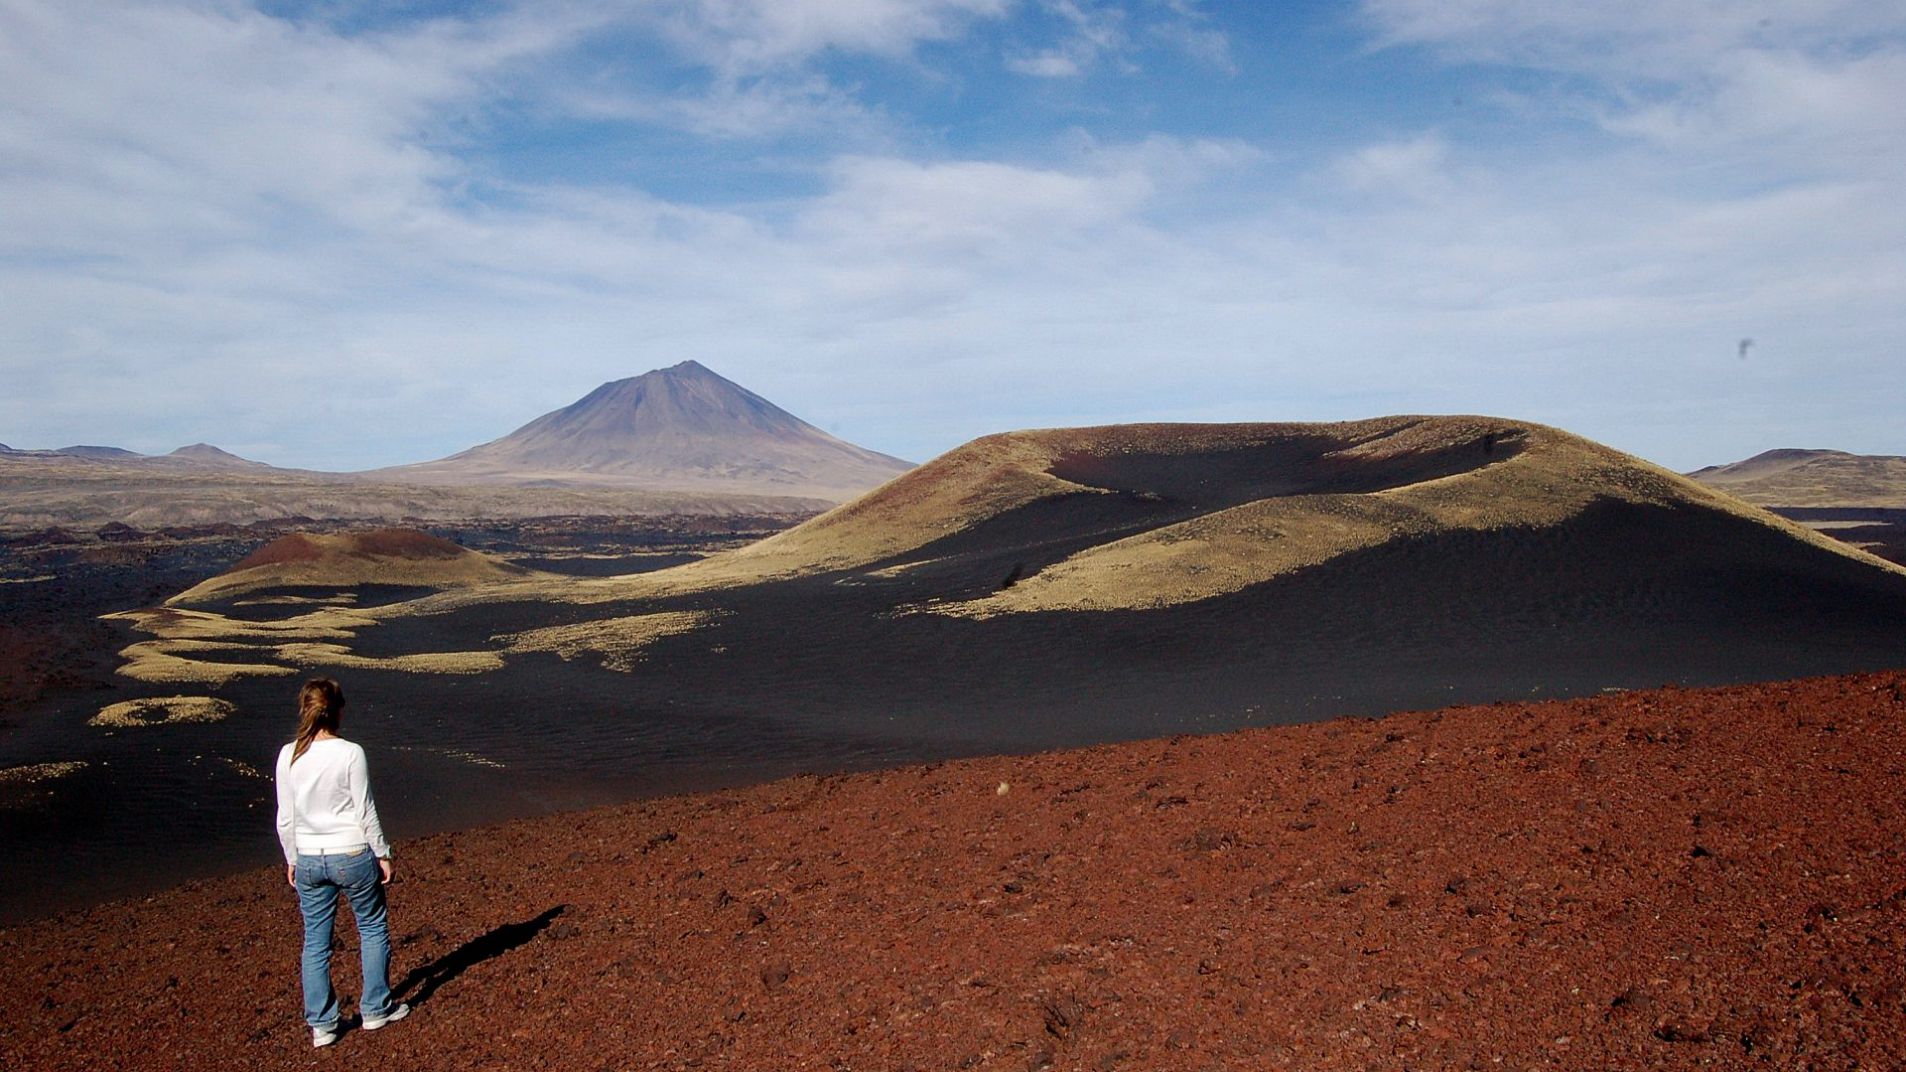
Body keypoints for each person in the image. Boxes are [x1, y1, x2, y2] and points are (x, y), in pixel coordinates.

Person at [274, 677, 409, 1048]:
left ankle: (322, 1024)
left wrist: (291, 857)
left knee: (316, 942)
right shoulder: (350, 753)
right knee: (371, 927)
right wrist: (382, 853)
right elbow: (365, 810)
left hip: (309, 857)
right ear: (338, 711)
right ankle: (376, 1009)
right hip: (351, 853)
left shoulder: (289, 756)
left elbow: (285, 817)